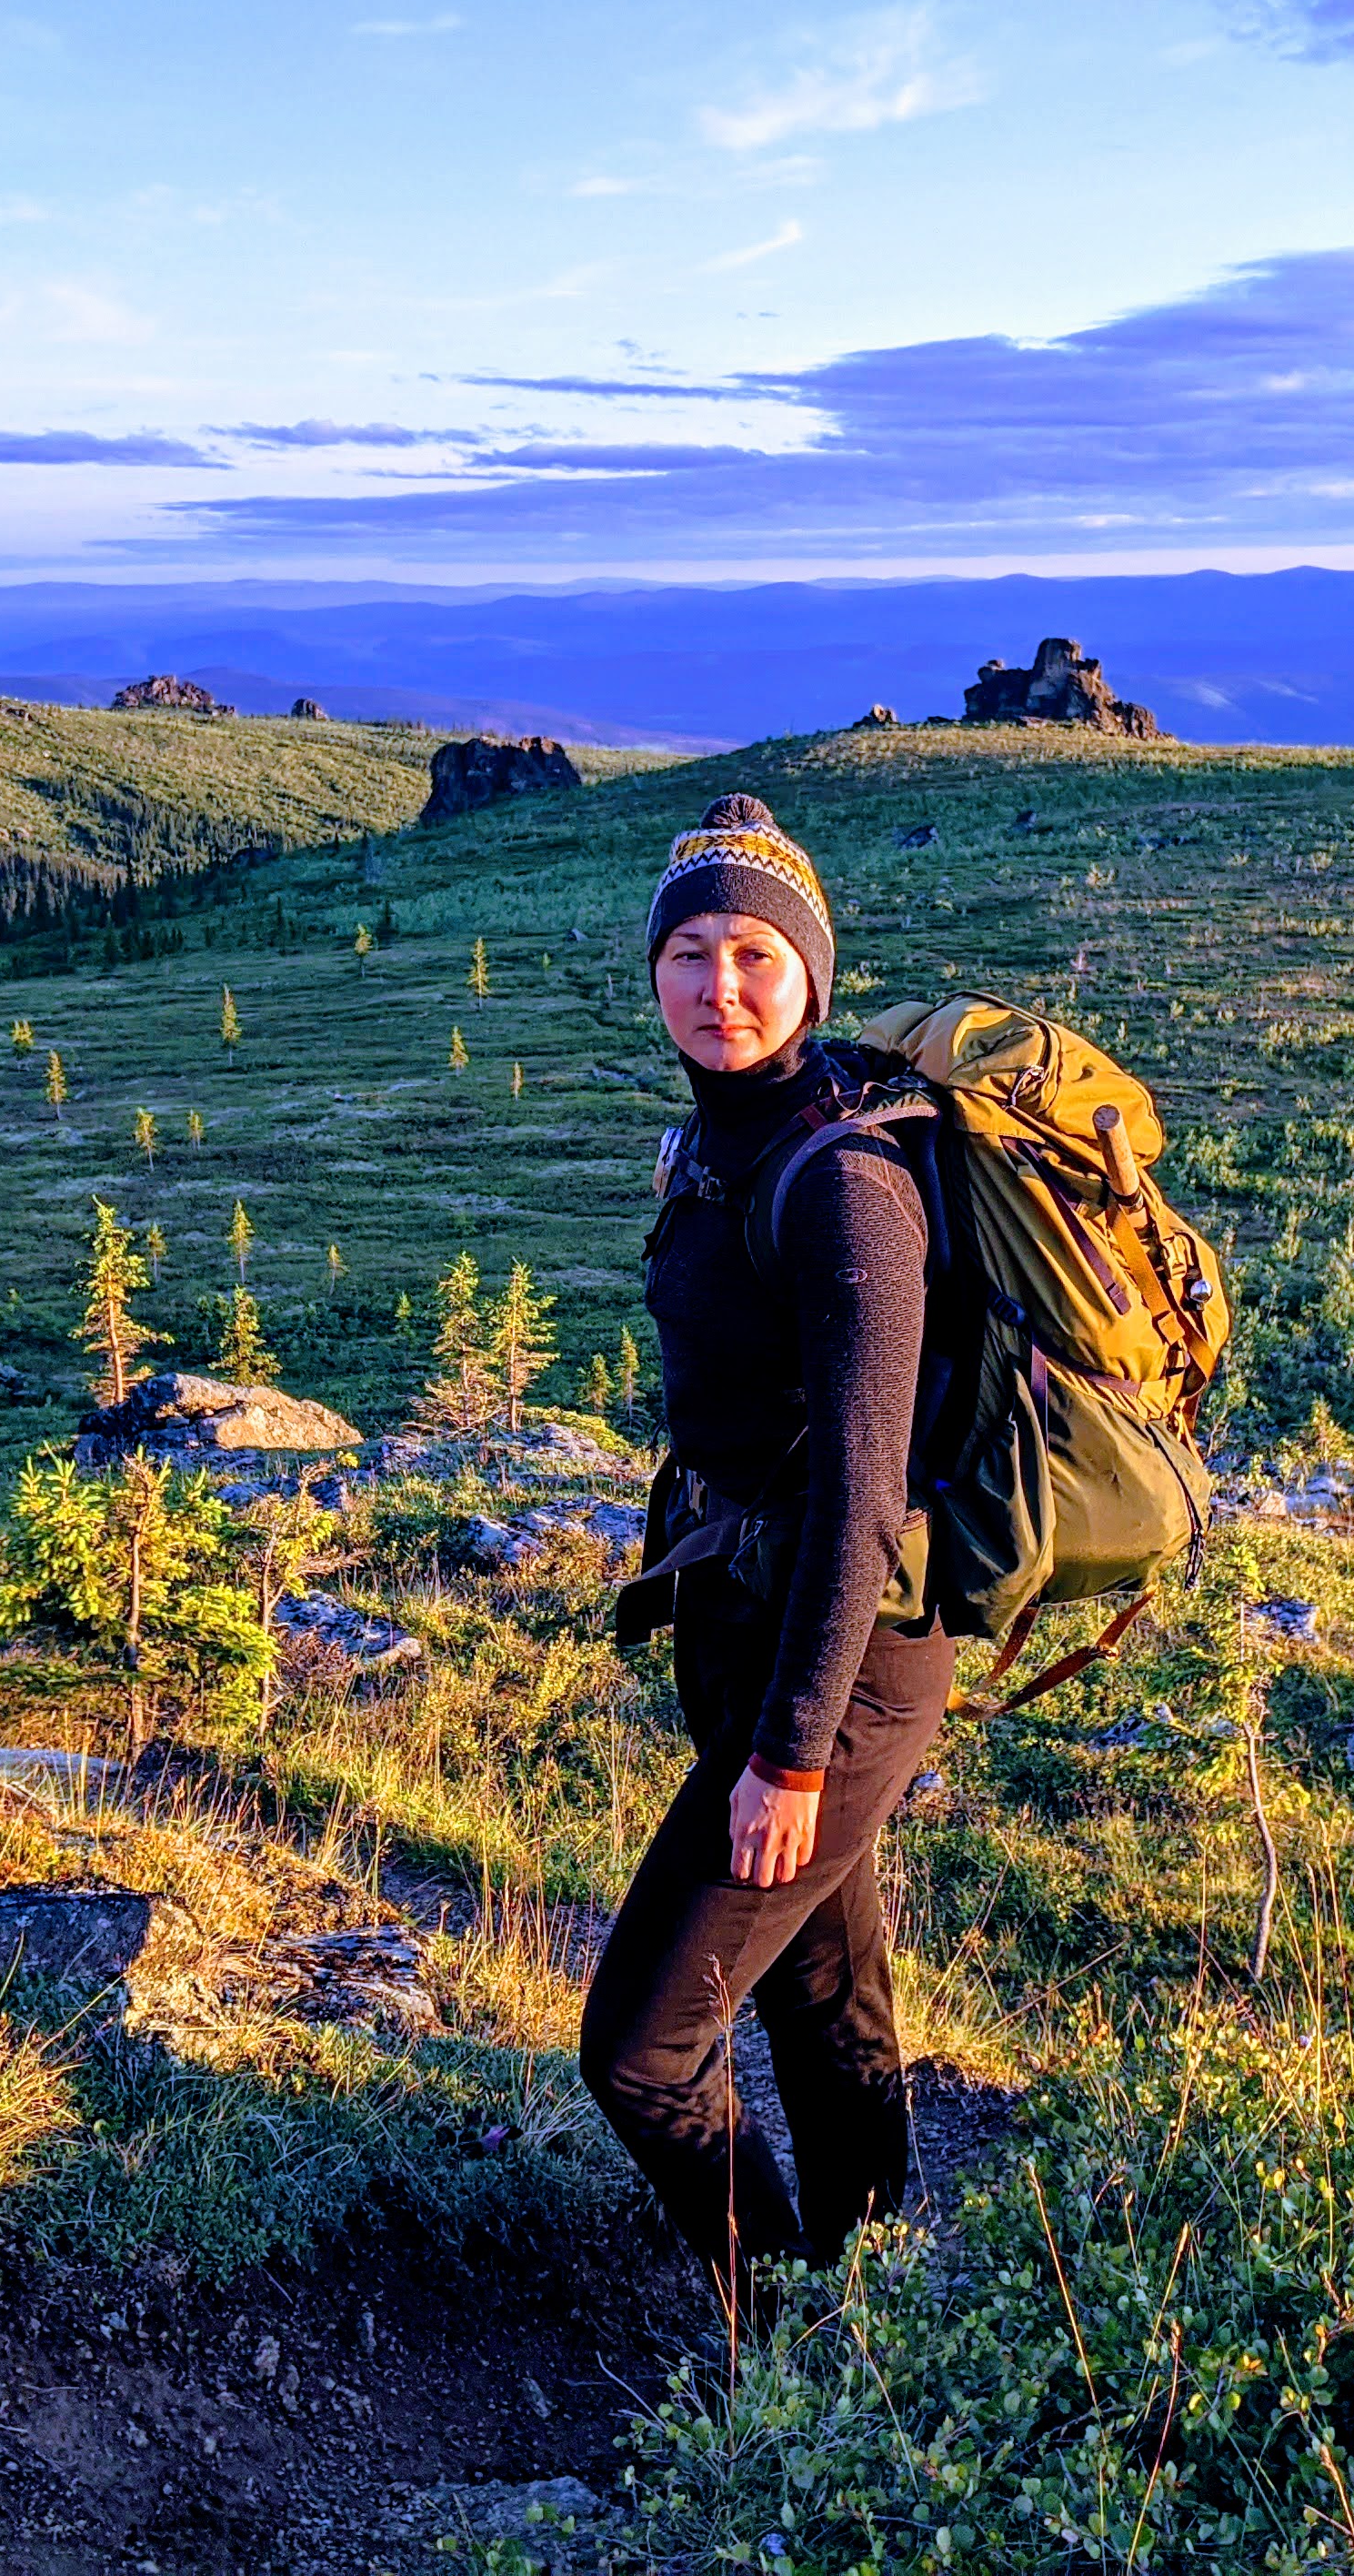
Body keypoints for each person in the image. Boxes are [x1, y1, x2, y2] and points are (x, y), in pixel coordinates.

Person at [577, 791, 956, 2309]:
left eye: (753, 954)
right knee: (821, 1991)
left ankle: (785, 2326)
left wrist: (792, 1756)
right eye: (689, 953)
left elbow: (864, 1495)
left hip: (842, 1666)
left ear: (809, 973)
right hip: (748, 1624)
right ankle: (876, 2308)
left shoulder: (844, 1189)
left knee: (645, 2048)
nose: (718, 986)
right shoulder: (719, 1144)